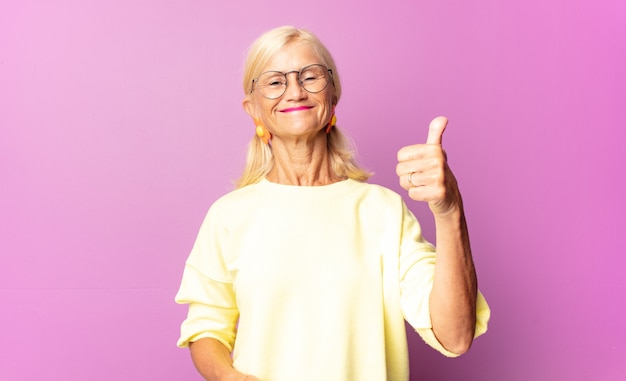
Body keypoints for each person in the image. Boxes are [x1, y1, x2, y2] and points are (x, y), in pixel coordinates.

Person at [175, 25, 490, 381]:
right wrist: (231, 378)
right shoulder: (228, 216)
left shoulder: (384, 212)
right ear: (254, 109)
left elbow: (456, 335)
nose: (294, 91)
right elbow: (206, 330)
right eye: (275, 82)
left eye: (310, 77)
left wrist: (449, 211)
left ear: (333, 95)